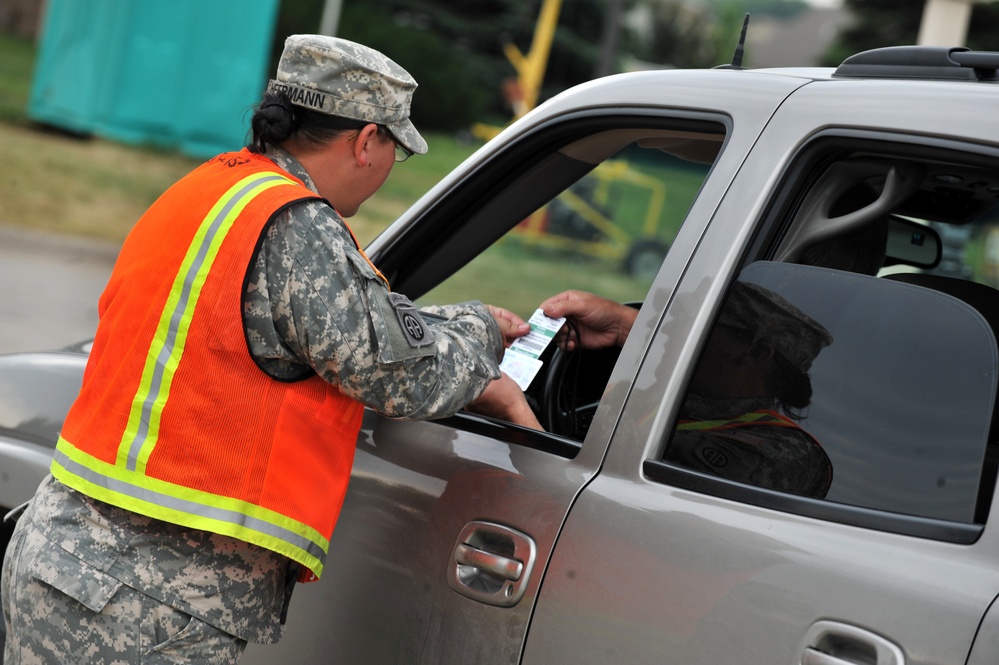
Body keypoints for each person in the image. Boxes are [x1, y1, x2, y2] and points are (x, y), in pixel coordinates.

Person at [1, 35, 532, 664]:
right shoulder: (297, 225)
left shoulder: (218, 188)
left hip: (70, 560)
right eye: (396, 148)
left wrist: (463, 327)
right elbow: (395, 373)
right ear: (367, 140)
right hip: (144, 603)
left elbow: (338, 324)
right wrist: (487, 355)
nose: (391, 163)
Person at [540, 281, 834, 498]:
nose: (668, 330)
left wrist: (514, 412)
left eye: (691, 325)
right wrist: (623, 326)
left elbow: (618, 517)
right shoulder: (679, 399)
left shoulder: (782, 455)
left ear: (756, 353)